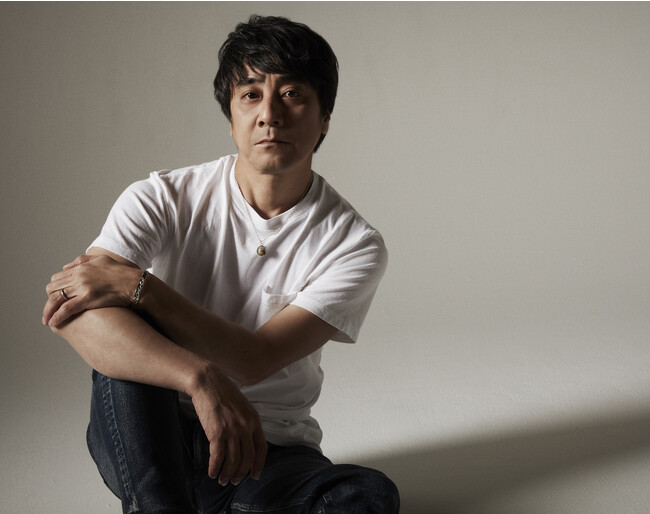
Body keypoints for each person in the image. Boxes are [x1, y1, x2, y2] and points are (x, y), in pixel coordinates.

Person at [42, 15, 399, 514]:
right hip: (151, 433)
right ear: (230, 117)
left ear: (324, 119)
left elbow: (256, 360)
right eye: (250, 94)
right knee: (125, 327)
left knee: (369, 495)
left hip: (266, 452)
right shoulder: (161, 197)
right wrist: (197, 377)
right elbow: (72, 309)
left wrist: (142, 286)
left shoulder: (354, 244)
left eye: (292, 94)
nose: (269, 115)